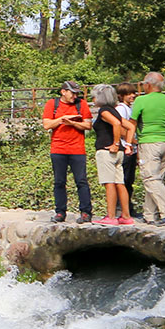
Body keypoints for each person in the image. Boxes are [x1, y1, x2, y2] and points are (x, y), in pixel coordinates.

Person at [130, 72, 165, 225]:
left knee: (150, 179)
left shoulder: (141, 100)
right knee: (155, 180)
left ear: (148, 84)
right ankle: (149, 215)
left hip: (150, 143)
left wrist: (129, 142)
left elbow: (132, 123)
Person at [42, 80, 92, 223]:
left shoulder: (81, 104)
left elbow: (88, 125)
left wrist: (73, 123)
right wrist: (62, 119)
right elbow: (47, 125)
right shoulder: (52, 104)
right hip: (58, 148)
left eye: (76, 93)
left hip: (77, 149)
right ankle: (60, 212)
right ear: (63, 92)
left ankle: (86, 212)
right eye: (72, 93)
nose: (75, 96)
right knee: (59, 181)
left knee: (81, 181)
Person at [91, 84, 133, 224]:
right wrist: (127, 144)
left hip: (107, 151)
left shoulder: (104, 111)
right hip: (119, 152)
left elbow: (116, 124)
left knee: (109, 183)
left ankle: (111, 216)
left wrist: (115, 143)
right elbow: (130, 127)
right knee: (120, 183)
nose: (93, 98)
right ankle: (126, 216)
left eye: (95, 96)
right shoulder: (114, 110)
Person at [115, 83, 140, 220]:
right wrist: (131, 140)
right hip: (126, 147)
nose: (132, 96)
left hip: (132, 148)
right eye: (128, 94)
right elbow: (121, 127)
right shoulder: (121, 109)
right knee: (124, 179)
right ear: (121, 96)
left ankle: (128, 207)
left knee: (129, 179)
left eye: (133, 93)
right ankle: (122, 208)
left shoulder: (130, 108)